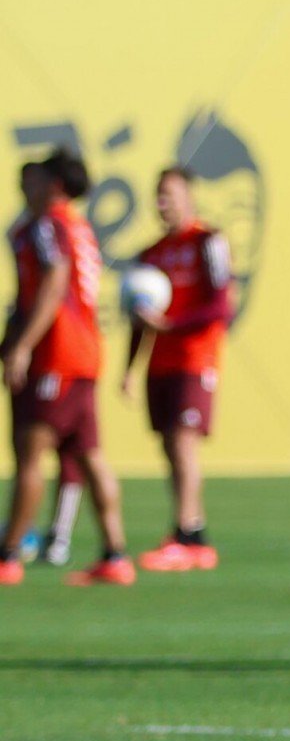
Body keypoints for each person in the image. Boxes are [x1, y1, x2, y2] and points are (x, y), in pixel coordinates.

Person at [0, 152, 132, 587]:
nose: (24, 187)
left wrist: (21, 346)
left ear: (54, 183)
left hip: (56, 355)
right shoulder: (77, 224)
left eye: (33, 180)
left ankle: (9, 555)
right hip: (86, 354)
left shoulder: (46, 224)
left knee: (31, 452)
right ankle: (115, 555)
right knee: (89, 454)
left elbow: (53, 284)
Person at [123, 166, 235, 572]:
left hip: (195, 359)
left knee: (183, 443)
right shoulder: (150, 255)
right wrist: (130, 367)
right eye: (157, 195)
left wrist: (173, 324)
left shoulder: (208, 241)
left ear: (189, 196)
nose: (161, 203)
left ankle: (184, 534)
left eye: (168, 194)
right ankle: (198, 536)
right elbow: (140, 318)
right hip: (161, 364)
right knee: (171, 447)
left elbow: (221, 306)